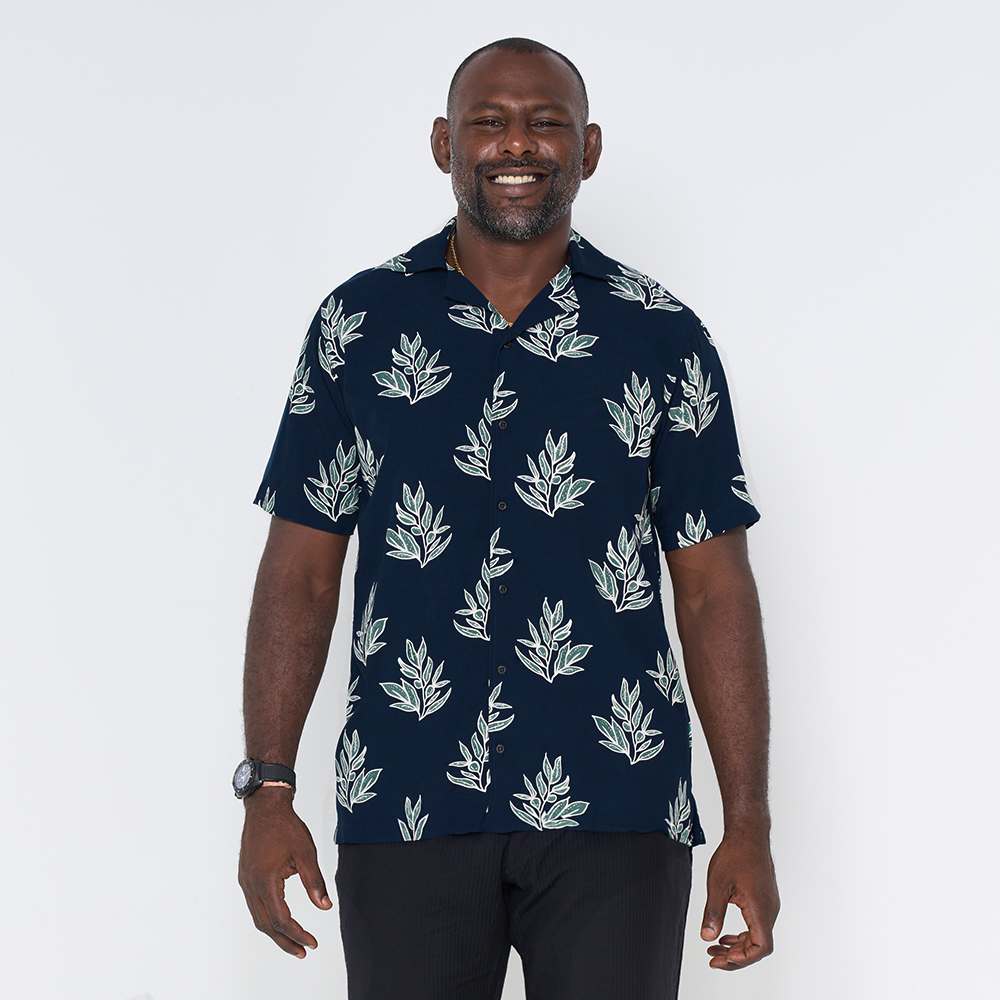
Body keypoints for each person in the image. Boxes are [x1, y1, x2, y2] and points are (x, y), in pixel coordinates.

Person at [236, 36, 778, 1000]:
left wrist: (749, 822)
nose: (516, 144)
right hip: (404, 800)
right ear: (444, 143)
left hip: (617, 806)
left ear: (589, 149)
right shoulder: (357, 326)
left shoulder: (662, 335)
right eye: (488, 121)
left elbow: (712, 590)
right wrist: (267, 788)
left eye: (545, 122)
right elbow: (301, 572)